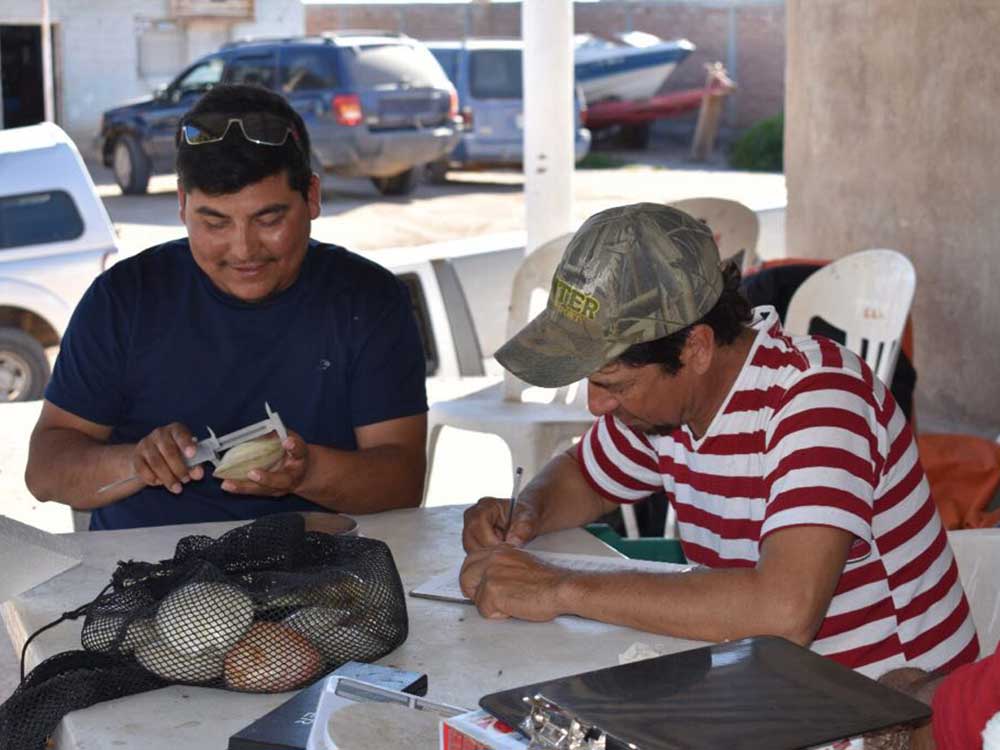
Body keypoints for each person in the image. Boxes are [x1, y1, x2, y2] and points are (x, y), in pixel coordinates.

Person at [460, 202, 978, 678]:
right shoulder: (665, 409)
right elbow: (585, 477)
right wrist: (526, 511)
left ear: (696, 348)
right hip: (779, 692)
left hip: (895, 714)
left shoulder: (818, 397)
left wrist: (557, 587)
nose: (597, 406)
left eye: (611, 383)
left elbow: (783, 612)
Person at [24, 84, 428, 529]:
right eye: (214, 221)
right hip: (144, 567)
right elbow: (45, 471)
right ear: (182, 205)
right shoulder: (125, 298)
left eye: (269, 219)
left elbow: (402, 481)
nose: (244, 250)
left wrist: (307, 472)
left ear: (312, 197)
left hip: (315, 565)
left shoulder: (367, 299)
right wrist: (137, 463)